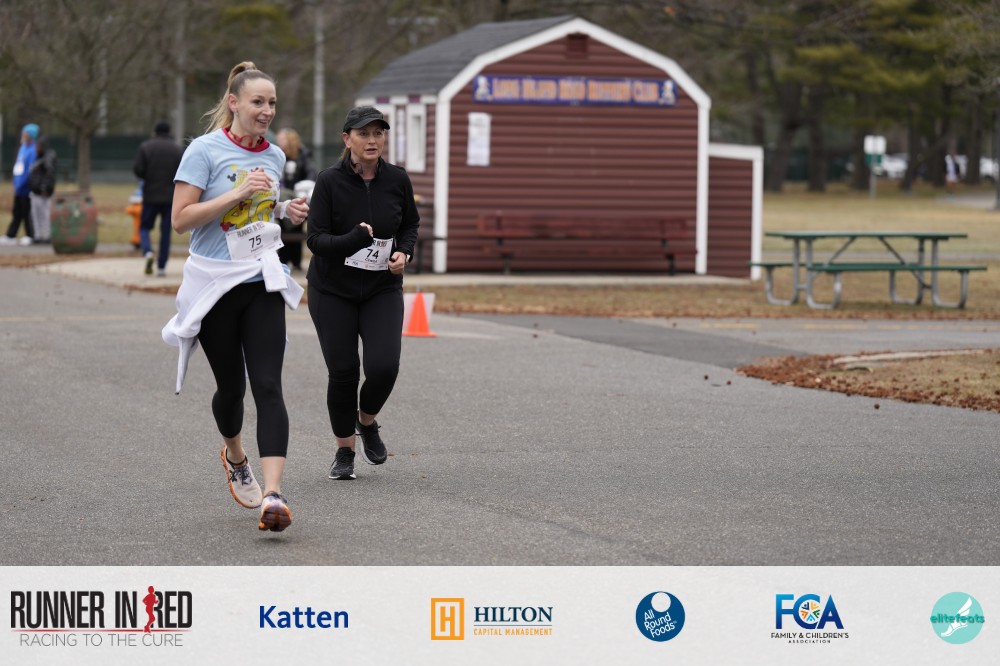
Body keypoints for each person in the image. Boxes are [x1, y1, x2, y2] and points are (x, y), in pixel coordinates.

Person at [161, 61, 309, 532]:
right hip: (214, 285)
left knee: (268, 384)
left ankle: (273, 495)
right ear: (234, 103)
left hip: (261, 279)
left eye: (272, 103)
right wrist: (238, 191)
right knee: (232, 389)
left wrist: (284, 209)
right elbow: (181, 220)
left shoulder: (274, 156)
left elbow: (258, 212)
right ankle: (236, 456)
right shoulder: (203, 151)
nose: (267, 111)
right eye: (257, 102)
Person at [306, 106, 419, 481]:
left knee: (384, 367)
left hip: (381, 288)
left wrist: (404, 252)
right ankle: (344, 451)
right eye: (363, 133)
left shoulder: (397, 179)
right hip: (332, 290)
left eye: (378, 133)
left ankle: (366, 421)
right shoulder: (328, 182)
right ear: (347, 139)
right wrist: (354, 239)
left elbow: (410, 224)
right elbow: (315, 240)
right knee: (343, 372)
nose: (372, 140)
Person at [134, 121, 184, 276]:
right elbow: (183, 171)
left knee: (144, 227)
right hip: (170, 198)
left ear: (155, 131)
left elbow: (138, 169)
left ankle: (148, 251)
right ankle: (161, 266)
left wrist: (148, 177)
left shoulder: (146, 147)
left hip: (150, 195)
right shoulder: (177, 149)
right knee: (165, 232)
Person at [275, 128, 315, 271]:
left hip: (298, 197)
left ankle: (296, 262)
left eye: (282, 139)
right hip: (282, 198)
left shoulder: (303, 154)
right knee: (284, 227)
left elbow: (311, 173)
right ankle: (284, 260)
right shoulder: (277, 155)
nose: (279, 142)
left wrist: (300, 189)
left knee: (296, 225)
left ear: (290, 140)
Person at [1, 123, 39, 245]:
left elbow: (30, 170)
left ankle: (30, 235)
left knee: (27, 212)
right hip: (18, 186)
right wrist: (15, 182)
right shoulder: (22, 148)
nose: (23, 135)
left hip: (26, 187)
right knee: (17, 212)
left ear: (30, 135)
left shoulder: (33, 150)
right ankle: (11, 235)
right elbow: (18, 166)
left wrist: (23, 183)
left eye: (25, 133)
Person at [27, 135, 57, 244]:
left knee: (44, 214)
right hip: (36, 190)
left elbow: (49, 173)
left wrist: (44, 187)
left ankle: (46, 235)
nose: (36, 148)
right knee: (36, 214)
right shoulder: (39, 157)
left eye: (38, 146)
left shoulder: (48, 157)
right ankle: (38, 235)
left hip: (42, 191)